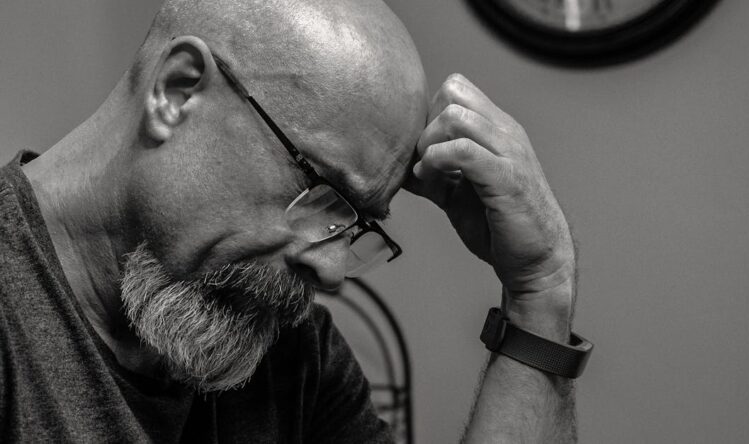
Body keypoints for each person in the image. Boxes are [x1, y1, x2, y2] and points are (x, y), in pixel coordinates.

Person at [0, 0, 584, 442]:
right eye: (320, 191)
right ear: (177, 92)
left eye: (356, 223)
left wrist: (538, 291)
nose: (332, 272)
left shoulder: (291, 357)